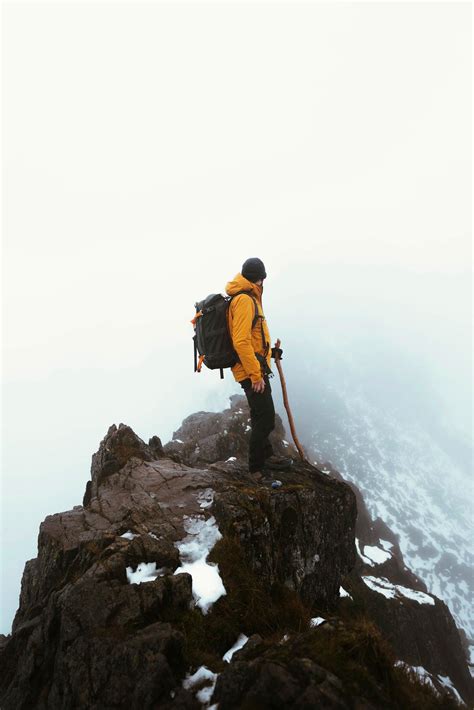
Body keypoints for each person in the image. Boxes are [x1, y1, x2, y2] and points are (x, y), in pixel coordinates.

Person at [225, 258, 293, 478]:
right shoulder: (245, 300)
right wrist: (255, 375)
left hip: (254, 365)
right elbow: (241, 341)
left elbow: (254, 340)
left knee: (260, 415)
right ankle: (256, 469)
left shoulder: (247, 297)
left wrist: (272, 354)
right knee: (265, 418)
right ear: (259, 278)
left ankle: (267, 456)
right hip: (251, 370)